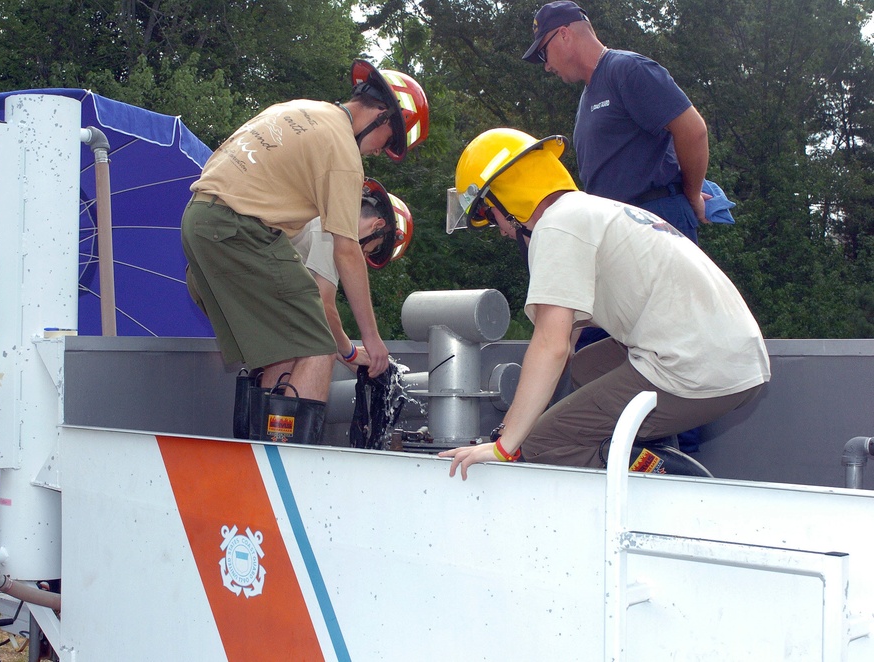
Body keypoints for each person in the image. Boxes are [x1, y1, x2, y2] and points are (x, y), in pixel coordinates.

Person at [441, 128, 770, 479]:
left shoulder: (557, 228)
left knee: (543, 446)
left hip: (695, 366)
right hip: (731, 354)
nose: (502, 231)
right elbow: (565, 349)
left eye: (491, 216)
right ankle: (650, 449)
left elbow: (549, 346)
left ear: (508, 197)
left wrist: (505, 446)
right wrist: (513, 423)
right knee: (588, 367)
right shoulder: (589, 211)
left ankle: (670, 478)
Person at [182, 60, 429, 442]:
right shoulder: (343, 151)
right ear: (383, 116)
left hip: (201, 223)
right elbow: (347, 253)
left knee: (282, 352)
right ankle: (292, 472)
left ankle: (259, 456)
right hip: (238, 230)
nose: (380, 152)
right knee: (319, 343)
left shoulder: (299, 110)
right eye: (389, 142)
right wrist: (372, 340)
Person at [522, 1, 709, 245]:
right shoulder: (588, 96)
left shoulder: (627, 69)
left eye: (543, 53)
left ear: (564, 35)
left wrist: (692, 194)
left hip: (655, 222)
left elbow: (694, 131)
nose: (546, 66)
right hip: (619, 228)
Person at [290, 178, 414, 370]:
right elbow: (325, 307)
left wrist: (350, 359)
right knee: (313, 352)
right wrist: (350, 352)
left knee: (289, 353)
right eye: (374, 249)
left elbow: (315, 317)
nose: (364, 256)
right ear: (377, 226)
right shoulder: (330, 234)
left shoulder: (325, 215)